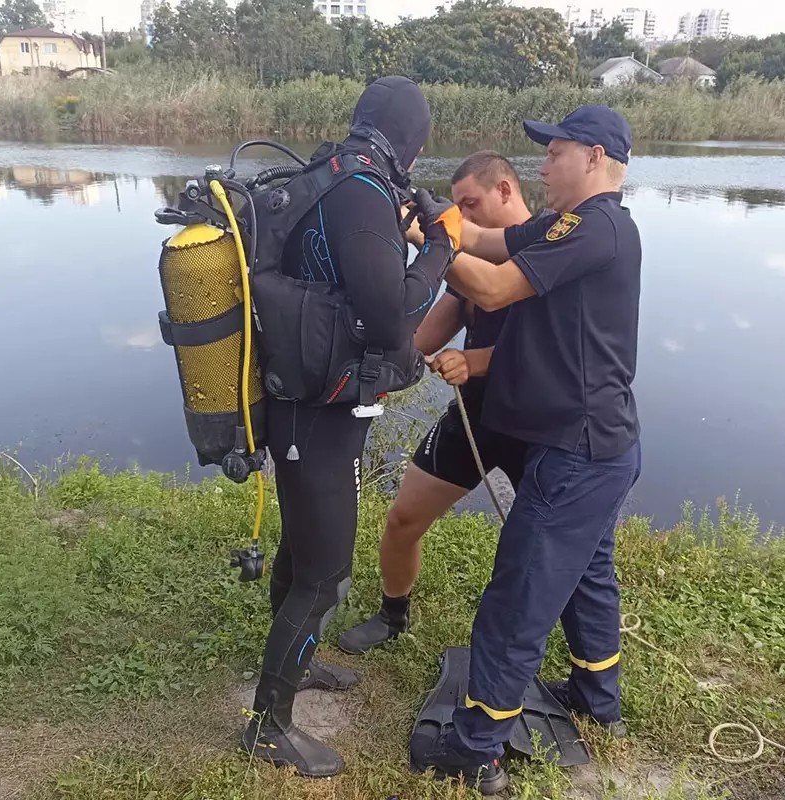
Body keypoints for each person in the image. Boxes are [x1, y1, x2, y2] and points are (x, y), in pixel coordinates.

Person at [408, 105, 643, 794]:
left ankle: (477, 742)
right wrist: (437, 224)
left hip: (580, 452)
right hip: (596, 444)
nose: (543, 165)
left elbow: (492, 283)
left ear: (594, 157)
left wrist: (433, 252)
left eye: (556, 152)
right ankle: (598, 700)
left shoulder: (597, 229)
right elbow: (487, 240)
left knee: (520, 592)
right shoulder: (567, 224)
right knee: (588, 575)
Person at [240, 76, 459, 778]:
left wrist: (403, 234)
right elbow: (391, 313)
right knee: (328, 576)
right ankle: (269, 727)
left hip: (307, 403)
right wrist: (440, 249)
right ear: (412, 144)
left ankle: (293, 674)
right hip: (316, 413)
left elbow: (345, 277)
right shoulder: (361, 190)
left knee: (305, 550)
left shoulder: (331, 176)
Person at [338, 151, 534, 655]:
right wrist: (367, 363)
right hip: (474, 416)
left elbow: (546, 353)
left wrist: (474, 360)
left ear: (506, 190)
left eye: (471, 205)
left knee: (545, 546)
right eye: (457, 210)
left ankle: (556, 644)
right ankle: (392, 614)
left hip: (537, 425)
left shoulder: (549, 249)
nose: (463, 220)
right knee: (404, 519)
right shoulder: (473, 267)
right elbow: (424, 335)